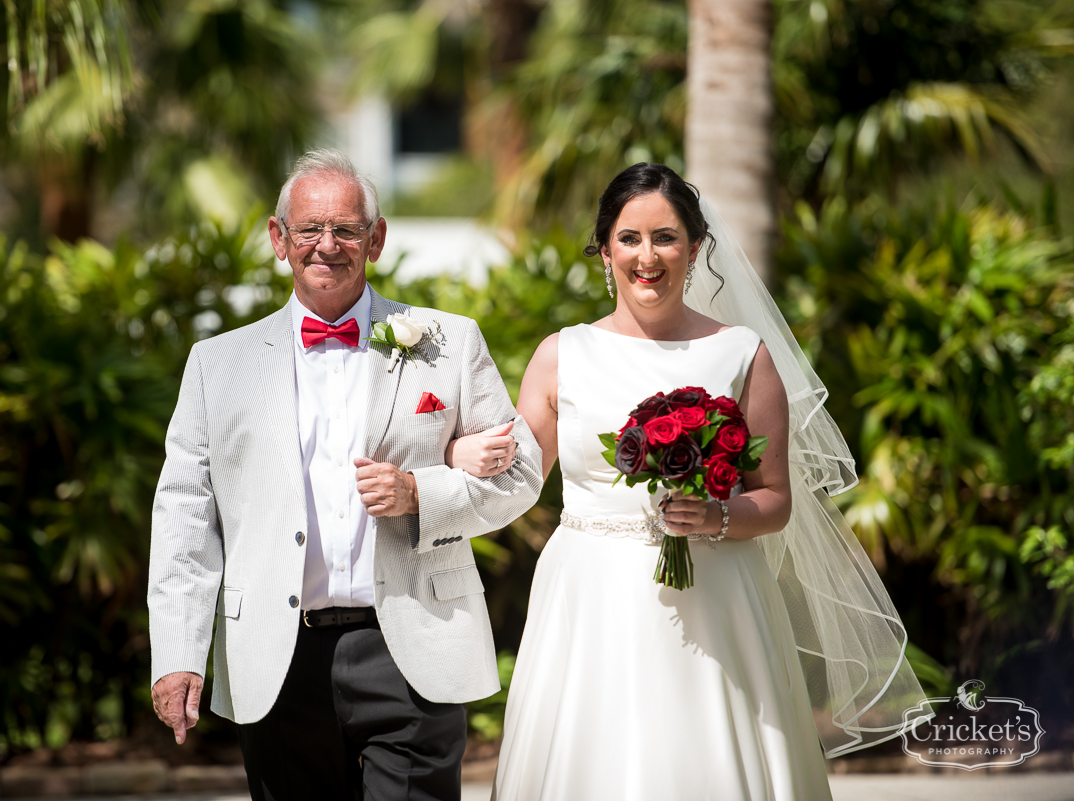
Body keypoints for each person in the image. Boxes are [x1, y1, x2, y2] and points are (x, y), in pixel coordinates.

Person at [447, 163, 929, 800]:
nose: (648, 257)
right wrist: (459, 452)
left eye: (667, 238)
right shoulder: (561, 354)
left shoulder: (741, 352)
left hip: (718, 596)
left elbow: (776, 499)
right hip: (590, 600)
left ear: (697, 248)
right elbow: (518, 477)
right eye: (630, 238)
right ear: (605, 249)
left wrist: (718, 518)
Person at [147, 149, 543, 801]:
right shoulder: (216, 365)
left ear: (376, 238)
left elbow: (521, 472)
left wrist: (421, 491)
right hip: (275, 659)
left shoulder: (449, 341)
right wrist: (179, 652)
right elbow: (186, 520)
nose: (327, 244)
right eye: (309, 229)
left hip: (411, 644)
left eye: (347, 229)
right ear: (280, 239)